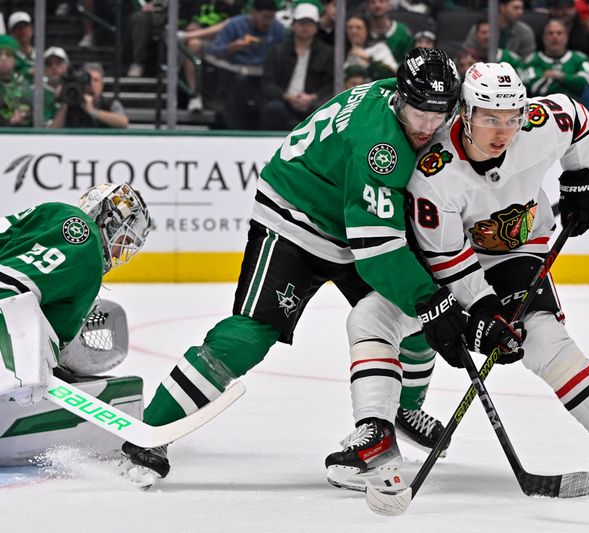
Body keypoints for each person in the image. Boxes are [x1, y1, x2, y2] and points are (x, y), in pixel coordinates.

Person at [119, 48, 463, 491]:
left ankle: (401, 407)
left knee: (412, 318)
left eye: (440, 114)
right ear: (399, 98)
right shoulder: (382, 146)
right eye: (420, 113)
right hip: (295, 218)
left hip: (348, 218)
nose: (429, 127)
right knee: (251, 334)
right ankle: (149, 432)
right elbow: (377, 252)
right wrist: (430, 298)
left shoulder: (391, 98)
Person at [403, 61, 589, 497]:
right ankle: (387, 419)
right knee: (407, 319)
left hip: (519, 247)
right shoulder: (433, 174)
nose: (503, 131)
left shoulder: (538, 125)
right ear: (465, 113)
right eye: (490, 119)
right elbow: (446, 256)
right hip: (457, 257)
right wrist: (482, 307)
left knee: (540, 337)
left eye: (511, 118)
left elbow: (577, 117)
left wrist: (583, 175)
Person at [0, 183, 151, 454]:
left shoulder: (47, 214)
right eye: (123, 240)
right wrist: (25, 367)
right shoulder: (83, 238)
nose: (118, 253)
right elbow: (8, 288)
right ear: (108, 219)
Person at [206, 0, 286, 129]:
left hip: (265, 78)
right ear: (253, 13)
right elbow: (213, 51)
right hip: (235, 75)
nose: (267, 22)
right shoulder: (235, 25)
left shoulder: (278, 29)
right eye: (264, 17)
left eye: (271, 18)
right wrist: (230, 48)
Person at [260, 3, 334, 131]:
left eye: (309, 23)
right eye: (301, 23)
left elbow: (332, 84)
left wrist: (312, 97)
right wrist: (286, 96)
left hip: (313, 104)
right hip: (284, 103)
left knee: (324, 111)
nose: (305, 27)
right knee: (273, 109)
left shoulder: (327, 53)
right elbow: (267, 83)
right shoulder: (278, 51)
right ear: (293, 25)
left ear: (316, 27)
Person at [521, 18, 589, 99]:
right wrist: (572, 84)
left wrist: (561, 77)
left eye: (559, 33)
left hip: (574, 108)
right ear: (543, 37)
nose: (555, 37)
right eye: (550, 33)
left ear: (566, 37)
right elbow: (533, 86)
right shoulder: (532, 60)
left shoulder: (580, 58)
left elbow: (588, 83)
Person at [49, 63, 129, 129]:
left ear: (102, 84)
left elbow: (123, 122)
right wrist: (64, 102)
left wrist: (92, 111)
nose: (92, 84)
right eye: (88, 80)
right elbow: (53, 131)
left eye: (96, 80)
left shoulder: (110, 104)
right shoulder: (71, 105)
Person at [0, 35, 56, 127]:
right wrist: (9, 121)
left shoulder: (25, 82)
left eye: (8, 54)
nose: (3, 59)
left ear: (15, 59)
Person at [463, 0, 536, 59]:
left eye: (521, 8)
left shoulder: (525, 31)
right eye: (516, 8)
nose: (520, 12)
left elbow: (528, 61)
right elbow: (467, 52)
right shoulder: (481, 26)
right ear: (502, 8)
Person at [344, 14, 398, 81]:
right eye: (350, 27)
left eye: (358, 27)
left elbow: (391, 76)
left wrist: (369, 59)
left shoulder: (379, 48)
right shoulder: (340, 52)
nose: (354, 31)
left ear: (367, 30)